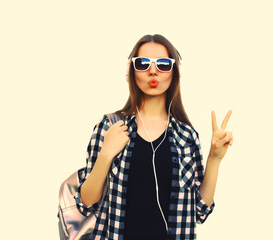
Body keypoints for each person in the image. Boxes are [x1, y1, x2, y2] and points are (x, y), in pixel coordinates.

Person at [74, 34, 233, 240]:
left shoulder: (186, 136)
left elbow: (199, 212)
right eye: (142, 63)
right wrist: (106, 154)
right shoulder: (110, 127)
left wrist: (214, 158)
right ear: (132, 71)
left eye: (164, 64)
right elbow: (86, 204)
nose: (153, 70)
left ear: (174, 72)